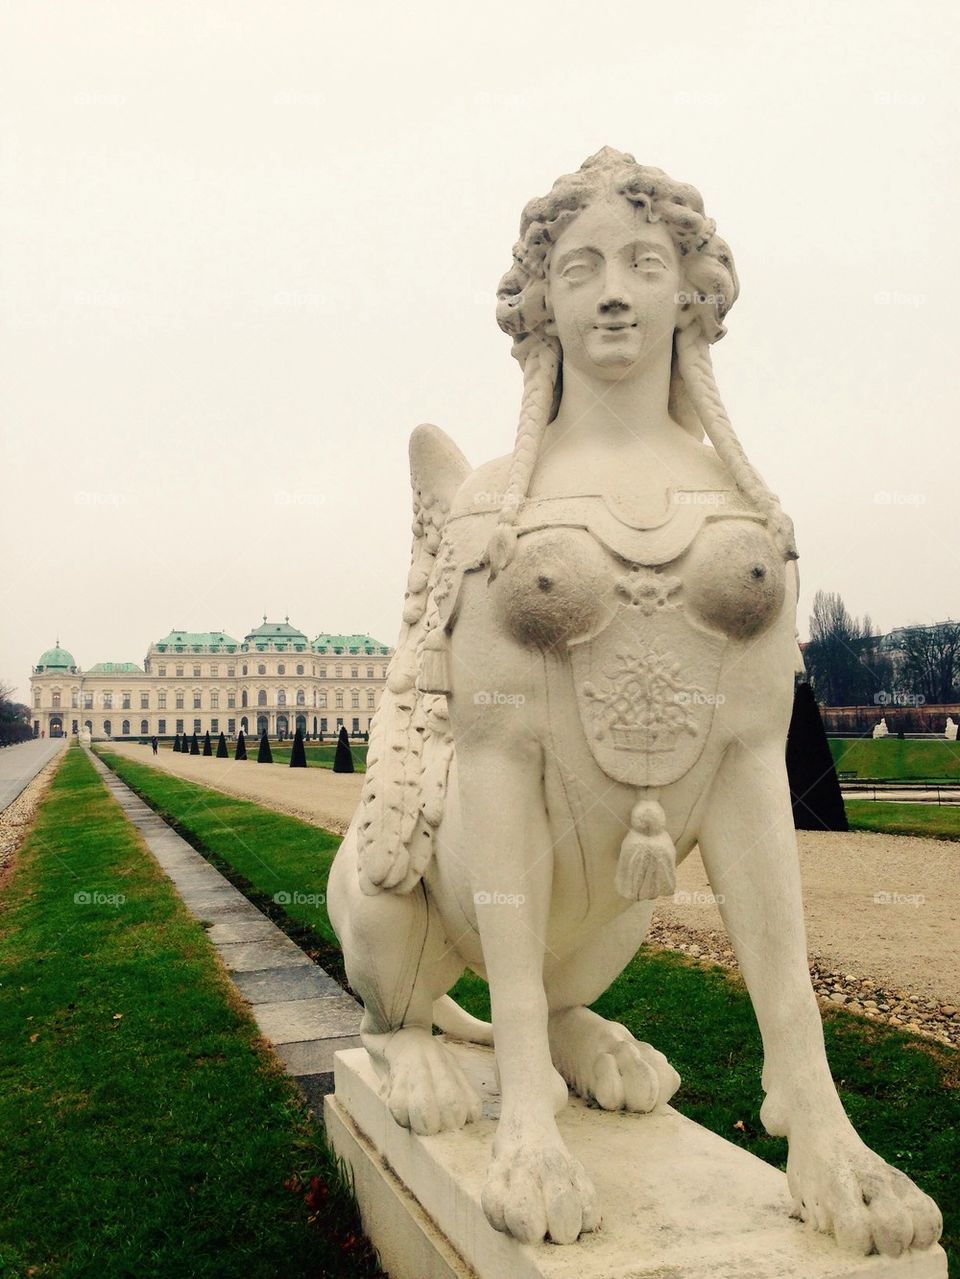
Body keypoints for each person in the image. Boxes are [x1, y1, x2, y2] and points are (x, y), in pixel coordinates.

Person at [326, 148, 940, 1254]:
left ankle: (801, 1099)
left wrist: (811, 1092)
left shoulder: (740, 506)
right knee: (385, 877)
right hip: (455, 893)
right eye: (581, 266)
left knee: (668, 859)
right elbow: (493, 763)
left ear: (686, 290)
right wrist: (521, 1109)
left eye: (644, 262)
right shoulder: (489, 508)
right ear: (541, 303)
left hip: (596, 907)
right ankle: (441, 1035)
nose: (613, 288)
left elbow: (750, 773)